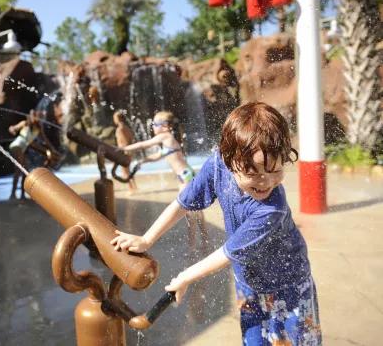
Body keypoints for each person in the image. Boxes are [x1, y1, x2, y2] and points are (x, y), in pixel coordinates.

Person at [111, 102, 321, 345]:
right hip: (248, 283)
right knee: (254, 341)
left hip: (289, 286)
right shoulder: (217, 164)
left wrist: (185, 277)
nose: (266, 182)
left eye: (275, 171)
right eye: (253, 174)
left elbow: (227, 253)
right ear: (230, 160)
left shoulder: (271, 209)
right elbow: (184, 202)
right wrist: (146, 238)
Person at [121, 111, 208, 249]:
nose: (153, 127)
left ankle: (193, 245)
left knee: (188, 210)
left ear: (166, 126)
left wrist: (124, 149)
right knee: (194, 210)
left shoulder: (165, 136)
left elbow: (144, 144)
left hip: (185, 176)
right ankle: (203, 239)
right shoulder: (168, 140)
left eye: (155, 124)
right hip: (185, 175)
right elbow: (158, 155)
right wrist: (144, 160)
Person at [8, 109, 42, 199]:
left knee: (23, 171)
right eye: (33, 115)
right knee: (20, 170)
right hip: (16, 146)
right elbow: (12, 128)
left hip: (22, 149)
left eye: (36, 116)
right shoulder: (24, 124)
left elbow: (38, 143)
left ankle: (22, 194)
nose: (34, 117)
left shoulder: (38, 129)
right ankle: (13, 194)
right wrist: (12, 130)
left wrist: (50, 150)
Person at [113, 110, 137, 194]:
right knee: (128, 170)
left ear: (117, 119)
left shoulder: (120, 129)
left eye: (114, 118)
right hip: (129, 150)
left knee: (125, 171)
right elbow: (131, 138)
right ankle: (135, 186)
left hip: (124, 151)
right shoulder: (126, 127)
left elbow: (123, 141)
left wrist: (122, 150)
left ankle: (131, 189)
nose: (114, 120)